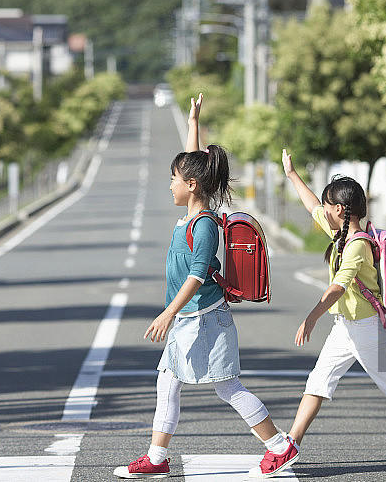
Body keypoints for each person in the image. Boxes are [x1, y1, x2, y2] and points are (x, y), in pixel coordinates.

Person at [113, 94, 298, 479]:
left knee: (227, 387)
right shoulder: (192, 214)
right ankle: (157, 457)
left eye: (174, 180)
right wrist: (193, 123)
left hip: (204, 320)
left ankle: (280, 446)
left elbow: (197, 275)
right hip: (191, 319)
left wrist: (168, 312)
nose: (170, 185)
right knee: (168, 382)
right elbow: (191, 162)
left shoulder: (205, 226)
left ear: (192, 185)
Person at [280, 148, 386, 466]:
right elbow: (312, 206)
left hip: (366, 329)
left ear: (339, 209)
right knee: (318, 382)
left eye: (328, 205)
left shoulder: (357, 244)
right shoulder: (340, 233)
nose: (323, 209)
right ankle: (291, 443)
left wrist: (311, 318)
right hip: (345, 327)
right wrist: (291, 174)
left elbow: (338, 286)